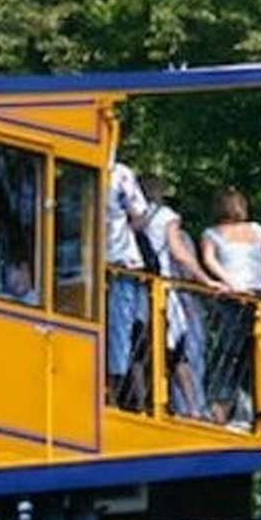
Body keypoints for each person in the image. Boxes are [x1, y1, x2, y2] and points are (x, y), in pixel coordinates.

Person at [141, 177, 217, 420]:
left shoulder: (133, 216)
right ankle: (193, 406)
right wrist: (204, 279)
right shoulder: (165, 217)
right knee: (176, 350)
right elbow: (178, 252)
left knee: (143, 346)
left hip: (139, 289)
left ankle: (145, 402)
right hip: (163, 289)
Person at [200, 187, 261, 427]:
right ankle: (250, 409)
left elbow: (210, 260)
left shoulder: (211, 234)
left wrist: (230, 283)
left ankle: (221, 408)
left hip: (232, 296)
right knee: (252, 352)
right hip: (257, 297)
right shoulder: (258, 231)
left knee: (226, 352)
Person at [106, 160, 151, 409]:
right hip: (118, 261)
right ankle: (118, 396)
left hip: (94, 263)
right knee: (121, 332)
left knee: (120, 332)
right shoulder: (120, 174)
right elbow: (140, 215)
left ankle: (117, 395)